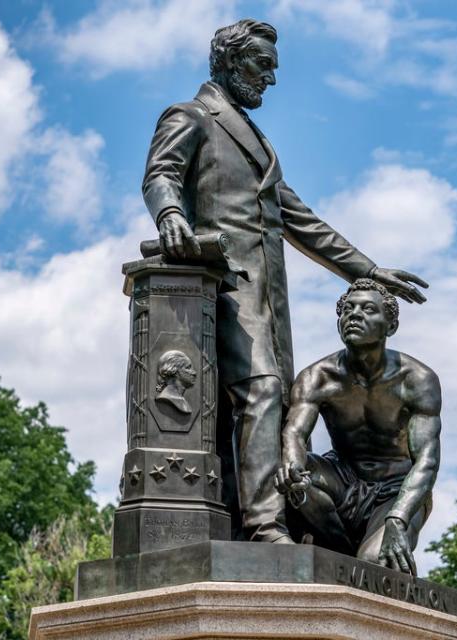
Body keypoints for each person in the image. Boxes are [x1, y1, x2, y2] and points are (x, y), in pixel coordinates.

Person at [142, 19, 429, 543]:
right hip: (222, 290)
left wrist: (367, 270)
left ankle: (238, 515)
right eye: (262, 65)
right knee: (262, 390)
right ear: (229, 61)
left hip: (269, 304)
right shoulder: (192, 116)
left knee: (267, 406)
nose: (270, 80)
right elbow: (161, 174)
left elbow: (302, 220)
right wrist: (169, 217)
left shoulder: (255, 139)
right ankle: (264, 525)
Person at [275, 279, 441, 575]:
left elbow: (427, 462)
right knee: (291, 474)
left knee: (374, 566)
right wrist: (292, 465)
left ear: (390, 326)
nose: (354, 315)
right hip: (342, 480)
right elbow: (295, 434)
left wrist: (399, 518)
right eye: (347, 309)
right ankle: (328, 546)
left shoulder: (416, 380)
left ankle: (370, 543)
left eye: (368, 309)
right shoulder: (318, 377)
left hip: (395, 489)